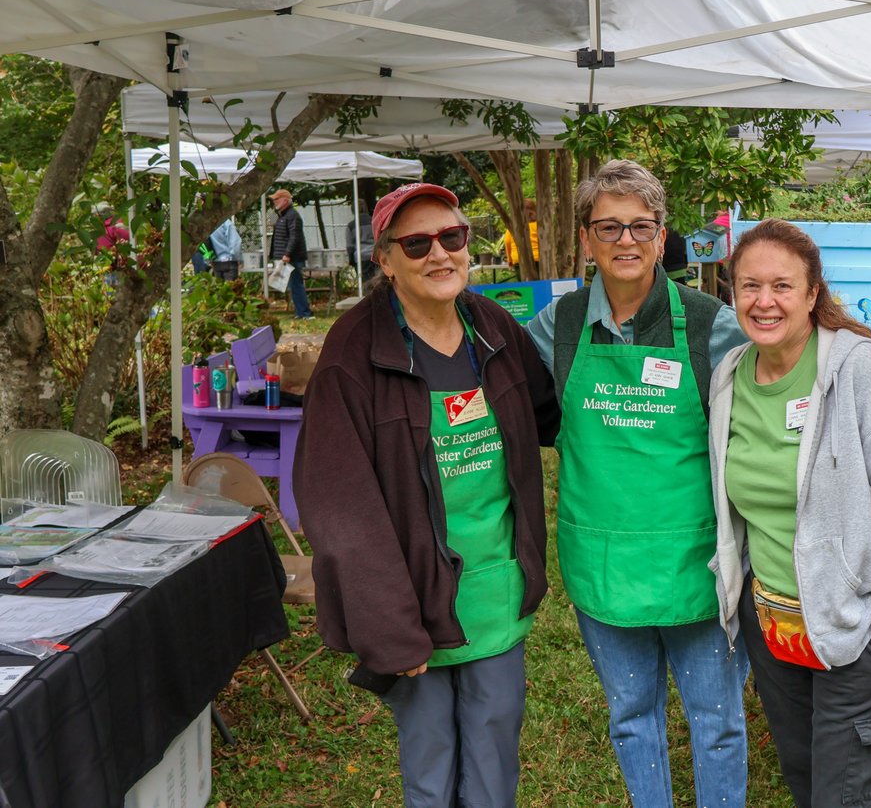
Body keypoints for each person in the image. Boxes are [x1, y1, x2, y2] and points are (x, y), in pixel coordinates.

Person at [296, 182, 560, 808]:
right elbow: (341, 511)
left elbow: (548, 414)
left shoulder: (491, 325)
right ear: (385, 260)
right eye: (416, 244)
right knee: (431, 757)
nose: (439, 254)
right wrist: (389, 628)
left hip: (495, 589)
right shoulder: (351, 355)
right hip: (411, 599)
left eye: (452, 236)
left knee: (495, 747)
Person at [526, 159, 751, 808]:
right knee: (630, 717)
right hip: (603, 562)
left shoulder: (711, 323)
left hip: (698, 563)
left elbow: (761, 430)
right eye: (609, 227)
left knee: (717, 723)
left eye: (640, 227)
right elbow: (503, 392)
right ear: (587, 238)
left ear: (660, 235)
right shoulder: (558, 326)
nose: (626, 241)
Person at [708, 218, 871, 808]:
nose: (764, 302)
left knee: (855, 795)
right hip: (777, 627)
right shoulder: (730, 377)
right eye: (749, 286)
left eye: (782, 286)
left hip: (859, 631)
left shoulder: (859, 371)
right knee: (809, 782)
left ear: (813, 294)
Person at [269, 188, 312, 318]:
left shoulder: (292, 216)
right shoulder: (284, 216)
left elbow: (294, 236)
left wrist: (287, 254)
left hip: (292, 258)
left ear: (285, 200)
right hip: (287, 257)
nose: (275, 202)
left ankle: (305, 313)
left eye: (277, 199)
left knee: (296, 285)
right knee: (293, 286)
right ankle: (300, 312)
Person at [345, 203, 377, 288]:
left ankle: (368, 297)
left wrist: (351, 260)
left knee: (365, 282)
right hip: (375, 254)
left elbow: (350, 246)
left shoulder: (351, 225)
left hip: (360, 255)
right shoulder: (374, 221)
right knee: (377, 280)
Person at [503, 198, 540, 268]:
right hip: (538, 259)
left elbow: (507, 242)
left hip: (518, 260)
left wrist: (510, 261)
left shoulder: (513, 227)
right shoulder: (540, 226)